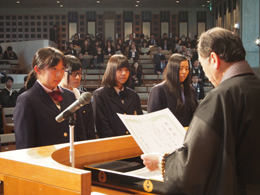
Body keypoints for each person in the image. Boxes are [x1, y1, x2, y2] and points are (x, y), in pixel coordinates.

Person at [141, 27, 260, 194]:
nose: (207, 75)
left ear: (213, 59)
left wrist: (162, 162)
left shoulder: (221, 97)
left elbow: (192, 168)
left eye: (203, 66)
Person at [14, 47, 86, 149]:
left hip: (70, 159)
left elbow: (79, 134)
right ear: (37, 70)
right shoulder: (27, 100)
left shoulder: (70, 95)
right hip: (44, 161)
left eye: (62, 69)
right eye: (53, 69)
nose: (59, 74)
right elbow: (25, 145)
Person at [92, 54, 143, 138]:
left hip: (133, 143)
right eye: (119, 70)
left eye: (127, 70)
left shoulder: (133, 95)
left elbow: (139, 122)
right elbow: (102, 127)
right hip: (111, 145)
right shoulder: (100, 95)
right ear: (111, 71)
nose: (124, 73)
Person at [148, 53, 198, 127]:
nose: (184, 72)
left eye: (187, 68)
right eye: (181, 68)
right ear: (173, 69)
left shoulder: (191, 90)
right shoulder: (159, 90)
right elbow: (153, 121)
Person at [59, 55, 96, 140]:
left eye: (79, 73)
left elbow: (90, 130)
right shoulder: (55, 96)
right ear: (62, 72)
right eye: (73, 73)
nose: (78, 77)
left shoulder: (83, 97)